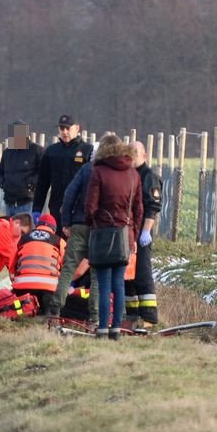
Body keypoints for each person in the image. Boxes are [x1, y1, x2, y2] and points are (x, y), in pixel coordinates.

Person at [85, 134, 142, 340]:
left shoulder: (98, 172)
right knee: (119, 283)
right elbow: (138, 209)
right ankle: (116, 328)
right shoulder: (133, 174)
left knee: (103, 284)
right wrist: (133, 233)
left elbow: (90, 207)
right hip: (124, 235)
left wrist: (93, 223)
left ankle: (102, 328)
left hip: (102, 233)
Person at [48, 158, 98, 322]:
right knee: (97, 272)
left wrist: (66, 222)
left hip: (79, 225)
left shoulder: (86, 169)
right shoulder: (114, 171)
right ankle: (94, 317)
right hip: (101, 228)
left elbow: (70, 194)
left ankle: (55, 310)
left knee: (68, 268)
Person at [125, 141, 163, 327]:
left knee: (142, 272)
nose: (131, 156)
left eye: (135, 152)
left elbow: (152, 207)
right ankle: (132, 314)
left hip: (141, 231)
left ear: (144, 155)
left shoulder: (149, 177)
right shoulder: (128, 174)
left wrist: (146, 231)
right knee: (129, 272)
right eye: (129, 152)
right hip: (129, 230)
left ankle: (149, 316)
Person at [33, 114, 93, 223]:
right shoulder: (51, 151)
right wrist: (37, 208)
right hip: (56, 206)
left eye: (68, 128)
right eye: (61, 128)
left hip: (78, 209)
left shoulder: (87, 150)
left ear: (77, 128)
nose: (64, 132)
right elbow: (42, 182)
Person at [10, 213, 64, 313]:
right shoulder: (59, 241)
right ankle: (46, 310)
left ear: (37, 226)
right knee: (48, 308)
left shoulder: (22, 239)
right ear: (54, 229)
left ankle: (28, 307)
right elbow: (66, 267)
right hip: (49, 287)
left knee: (24, 310)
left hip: (23, 287)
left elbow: (11, 267)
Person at [0, 120, 43, 217]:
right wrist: (4, 184)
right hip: (9, 201)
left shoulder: (36, 150)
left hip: (27, 202)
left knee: (26, 226)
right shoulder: (7, 152)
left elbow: (43, 172)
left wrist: (30, 184)